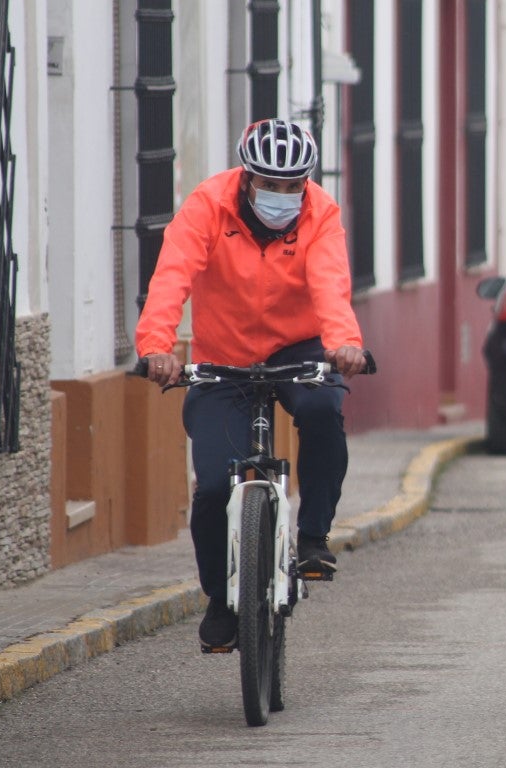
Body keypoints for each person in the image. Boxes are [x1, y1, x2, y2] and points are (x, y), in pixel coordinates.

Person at [135, 118, 369, 650]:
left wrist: (343, 344)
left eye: (294, 186)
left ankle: (312, 536)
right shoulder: (207, 205)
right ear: (246, 177)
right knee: (215, 486)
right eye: (271, 184)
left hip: (300, 346)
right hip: (225, 355)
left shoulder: (320, 211)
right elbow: (173, 275)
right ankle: (221, 599)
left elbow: (331, 283)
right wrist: (156, 347)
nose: (283, 196)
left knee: (321, 412)